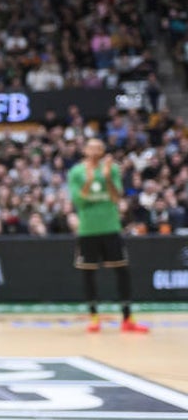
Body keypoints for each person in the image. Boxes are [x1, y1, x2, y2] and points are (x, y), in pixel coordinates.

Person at [67, 137, 149, 333]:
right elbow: (80, 201)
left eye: (99, 148)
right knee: (88, 273)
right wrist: (89, 179)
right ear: (85, 150)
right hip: (88, 230)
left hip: (111, 227)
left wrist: (107, 178)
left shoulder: (111, 169)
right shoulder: (77, 172)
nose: (95, 151)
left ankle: (127, 318)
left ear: (103, 151)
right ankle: (94, 317)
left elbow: (115, 197)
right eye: (91, 147)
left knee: (122, 271)